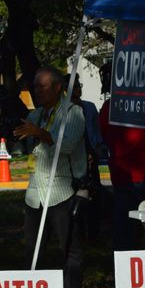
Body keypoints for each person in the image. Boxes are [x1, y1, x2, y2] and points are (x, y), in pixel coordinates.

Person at [13, 67, 87, 288]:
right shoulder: (36, 115)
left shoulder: (73, 113)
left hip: (61, 190)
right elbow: (26, 144)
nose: (37, 91)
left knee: (69, 248)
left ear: (57, 88)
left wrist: (41, 134)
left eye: (41, 86)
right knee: (32, 248)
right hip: (35, 193)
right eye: (35, 87)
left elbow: (66, 145)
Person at [98, 62, 145, 251]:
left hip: (125, 177)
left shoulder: (107, 109)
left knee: (126, 231)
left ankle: (124, 270)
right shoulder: (143, 103)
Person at [64, 73, 105, 240]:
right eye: (74, 87)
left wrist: (96, 150)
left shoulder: (90, 107)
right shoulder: (63, 111)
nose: (78, 89)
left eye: (79, 86)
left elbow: (96, 132)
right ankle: (77, 234)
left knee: (95, 195)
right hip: (73, 161)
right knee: (76, 199)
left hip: (91, 157)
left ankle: (94, 234)